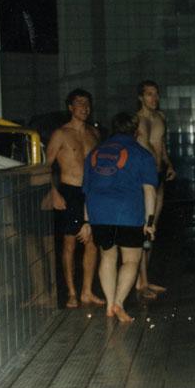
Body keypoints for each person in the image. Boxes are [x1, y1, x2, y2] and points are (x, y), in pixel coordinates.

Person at [80, 112, 158, 322]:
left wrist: (87, 221)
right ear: (136, 131)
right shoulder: (142, 154)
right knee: (131, 260)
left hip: (99, 213)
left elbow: (87, 190)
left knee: (107, 257)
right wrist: (149, 222)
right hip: (128, 212)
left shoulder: (95, 153)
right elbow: (149, 190)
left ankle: (109, 303)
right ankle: (119, 302)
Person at [45, 88, 104, 308]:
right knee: (69, 242)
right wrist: (53, 192)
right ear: (70, 107)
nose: (84, 107)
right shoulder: (61, 134)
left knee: (92, 242)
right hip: (69, 191)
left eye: (87, 103)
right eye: (79, 103)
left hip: (91, 192)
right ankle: (71, 292)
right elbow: (45, 167)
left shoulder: (94, 133)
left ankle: (87, 291)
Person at [135, 80, 174, 298]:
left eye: (156, 94)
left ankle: (144, 279)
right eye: (149, 94)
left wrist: (169, 163)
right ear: (141, 97)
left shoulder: (160, 117)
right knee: (145, 227)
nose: (154, 98)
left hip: (158, 174)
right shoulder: (137, 120)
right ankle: (142, 282)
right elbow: (144, 147)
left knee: (153, 228)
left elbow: (161, 145)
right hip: (145, 177)